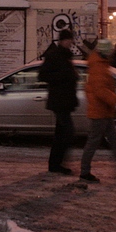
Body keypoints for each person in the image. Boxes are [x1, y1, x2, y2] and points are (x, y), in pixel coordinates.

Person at [80, 39, 116, 183]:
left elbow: (105, 88)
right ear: (105, 52)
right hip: (99, 111)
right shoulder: (98, 66)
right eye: (109, 51)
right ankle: (85, 172)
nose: (111, 53)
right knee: (94, 142)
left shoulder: (101, 64)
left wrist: (115, 101)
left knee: (113, 142)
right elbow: (101, 91)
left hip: (104, 111)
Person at [38, 29, 79, 174]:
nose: (70, 42)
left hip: (66, 100)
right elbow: (42, 75)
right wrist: (63, 76)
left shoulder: (67, 56)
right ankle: (56, 164)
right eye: (67, 39)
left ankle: (55, 164)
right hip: (59, 100)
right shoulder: (54, 55)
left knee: (61, 134)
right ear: (61, 40)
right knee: (67, 132)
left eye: (70, 39)